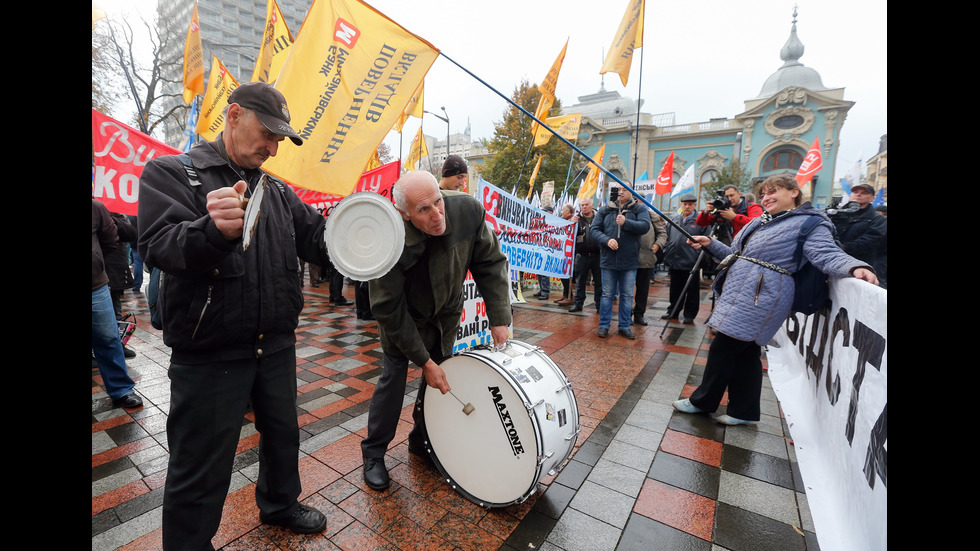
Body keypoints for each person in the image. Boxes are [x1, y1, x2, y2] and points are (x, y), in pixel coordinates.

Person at [137, 81, 331, 549]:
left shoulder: (279, 193)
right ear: (233, 115)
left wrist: (374, 225)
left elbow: (322, 239)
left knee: (283, 435)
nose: (272, 146)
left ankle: (280, 504)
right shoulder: (172, 173)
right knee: (200, 463)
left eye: (280, 139)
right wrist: (210, 231)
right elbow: (158, 246)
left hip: (277, 344)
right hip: (210, 350)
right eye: (267, 132)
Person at [673, 174, 878, 425]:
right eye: (763, 194)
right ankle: (743, 412)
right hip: (740, 290)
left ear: (794, 192)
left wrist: (854, 267)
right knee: (746, 351)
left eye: (773, 191)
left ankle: (702, 402)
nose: (766, 197)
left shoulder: (810, 223)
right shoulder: (759, 221)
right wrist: (711, 243)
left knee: (723, 348)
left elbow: (825, 253)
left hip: (763, 295)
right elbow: (737, 255)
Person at [361, 170, 512, 491]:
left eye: (437, 202)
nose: (437, 214)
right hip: (403, 323)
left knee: (437, 383)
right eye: (423, 210)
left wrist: (499, 316)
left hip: (445, 316)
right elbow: (388, 307)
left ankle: (421, 440)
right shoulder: (388, 237)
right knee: (393, 382)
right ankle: (373, 453)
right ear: (404, 213)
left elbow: (490, 262)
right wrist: (423, 361)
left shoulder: (467, 210)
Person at [92, 199, 143, 409]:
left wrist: (95, 262)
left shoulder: (96, 208)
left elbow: (111, 241)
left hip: (95, 286)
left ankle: (121, 389)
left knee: (108, 338)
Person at [591, 184, 651, 339]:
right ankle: (604, 325)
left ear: (630, 192)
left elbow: (645, 226)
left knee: (627, 295)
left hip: (629, 260)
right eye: (618, 189)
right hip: (608, 260)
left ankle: (624, 326)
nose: (621, 192)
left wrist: (626, 223)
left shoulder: (639, 209)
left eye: (625, 189)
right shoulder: (605, 209)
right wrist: (606, 240)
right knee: (607, 295)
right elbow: (594, 230)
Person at [662, 195, 711, 324]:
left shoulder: (700, 221)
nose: (687, 206)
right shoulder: (675, 219)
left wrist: (698, 254)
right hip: (674, 260)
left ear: (695, 205)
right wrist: (667, 250)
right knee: (675, 289)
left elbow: (708, 240)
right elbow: (666, 236)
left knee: (692, 290)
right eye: (685, 204)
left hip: (691, 262)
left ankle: (690, 314)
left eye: (690, 204)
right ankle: (673, 311)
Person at [105, 211, 138, 358]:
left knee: (115, 312)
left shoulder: (113, 211)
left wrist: (107, 219)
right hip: (97, 272)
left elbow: (131, 233)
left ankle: (118, 345)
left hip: (113, 271)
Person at [831, 183, 886, 270]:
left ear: (872, 198)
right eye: (855, 192)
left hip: (856, 266)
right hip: (830, 261)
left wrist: (841, 247)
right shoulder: (836, 213)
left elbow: (868, 241)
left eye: (864, 193)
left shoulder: (877, 219)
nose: (858, 194)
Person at [632, 208, 667, 325]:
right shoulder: (627, 212)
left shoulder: (652, 216)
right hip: (628, 259)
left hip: (646, 258)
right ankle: (625, 314)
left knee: (643, 290)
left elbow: (662, 233)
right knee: (626, 290)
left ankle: (639, 314)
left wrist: (658, 244)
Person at [696, 184, 763, 240]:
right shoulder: (724, 209)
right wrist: (706, 212)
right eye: (726, 196)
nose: (730, 199)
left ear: (739, 194)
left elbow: (757, 222)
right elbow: (700, 222)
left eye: (732, 195)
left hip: (744, 245)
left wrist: (734, 217)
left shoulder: (751, 207)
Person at [569, 197, 601, 313]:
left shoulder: (599, 218)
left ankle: (599, 305)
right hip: (582, 255)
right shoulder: (577, 219)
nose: (584, 207)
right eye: (582, 205)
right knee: (580, 281)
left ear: (592, 205)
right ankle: (578, 303)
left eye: (586, 204)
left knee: (599, 282)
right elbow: (569, 235)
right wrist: (571, 224)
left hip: (598, 255)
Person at [555, 203, 577, 305]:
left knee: (567, 275)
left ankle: (570, 296)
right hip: (563, 252)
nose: (561, 212)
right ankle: (565, 294)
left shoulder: (573, 221)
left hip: (570, 252)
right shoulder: (564, 221)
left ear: (568, 211)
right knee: (562, 273)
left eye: (563, 210)